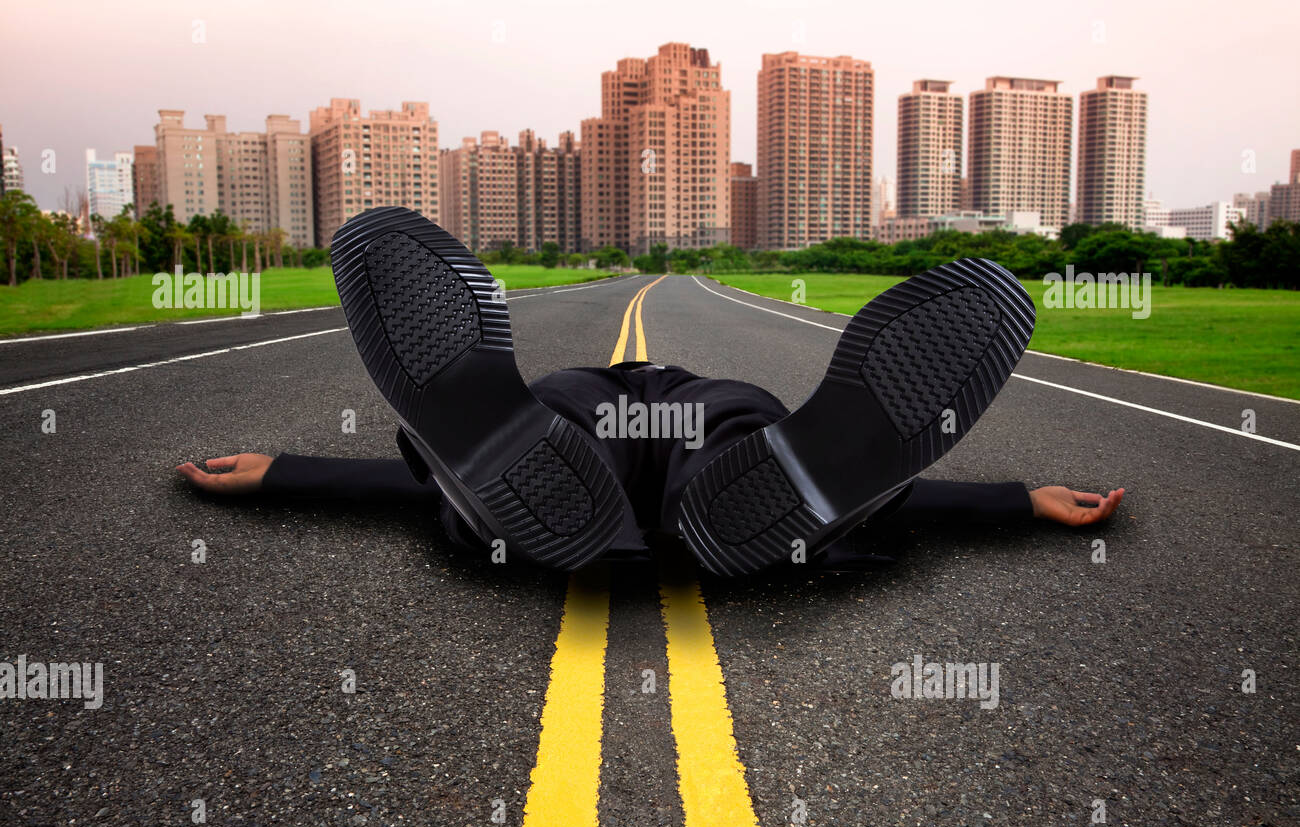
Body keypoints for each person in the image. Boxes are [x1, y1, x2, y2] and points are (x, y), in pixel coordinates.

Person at [178, 207, 1124, 575]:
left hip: (579, 445)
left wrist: (280, 474)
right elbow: (906, 490)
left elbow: (412, 488)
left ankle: (491, 469)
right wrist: (1019, 503)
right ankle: (793, 496)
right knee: (756, 433)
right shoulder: (711, 392)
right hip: (713, 445)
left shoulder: (587, 385)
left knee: (529, 436)